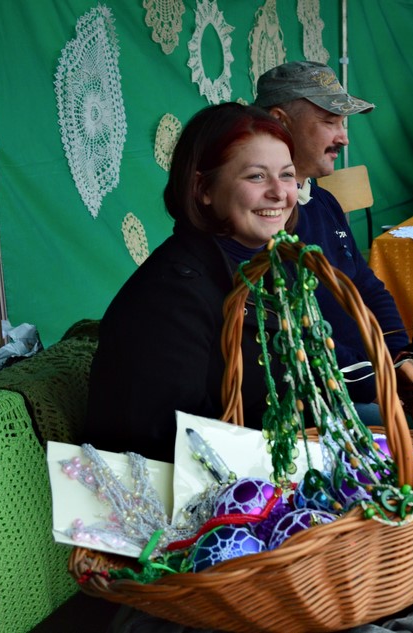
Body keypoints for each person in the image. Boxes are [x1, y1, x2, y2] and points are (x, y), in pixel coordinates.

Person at [86, 104, 302, 461]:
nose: (280, 193)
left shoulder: (274, 267)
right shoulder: (170, 297)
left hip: (269, 459)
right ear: (204, 188)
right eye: (256, 177)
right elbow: (162, 440)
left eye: (287, 175)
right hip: (192, 483)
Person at [252, 61, 410, 399]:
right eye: (329, 122)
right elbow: (295, 333)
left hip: (370, 375)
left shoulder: (324, 201)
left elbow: (364, 283)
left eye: (343, 123)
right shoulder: (263, 221)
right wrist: (383, 381)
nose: (344, 138)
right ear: (281, 122)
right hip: (328, 394)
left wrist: (399, 353)